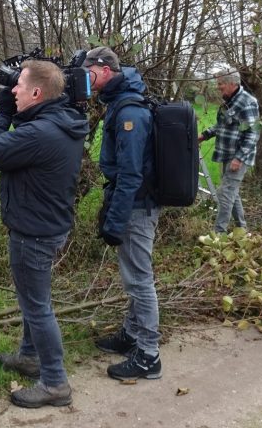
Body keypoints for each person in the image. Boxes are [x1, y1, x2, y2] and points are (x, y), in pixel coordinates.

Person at [0, 60, 88, 408]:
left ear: (37, 93)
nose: (13, 91)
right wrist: (16, 110)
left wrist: (2, 113)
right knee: (32, 300)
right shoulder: (60, 121)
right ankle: (28, 357)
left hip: (33, 232)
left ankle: (55, 382)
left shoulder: (40, 132)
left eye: (19, 87)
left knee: (38, 307)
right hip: (47, 225)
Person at [82, 46, 163, 381]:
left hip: (137, 206)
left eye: (88, 72)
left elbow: (131, 174)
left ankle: (148, 354)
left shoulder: (130, 111)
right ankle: (131, 335)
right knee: (133, 276)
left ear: (104, 69)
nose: (84, 79)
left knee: (139, 281)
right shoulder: (121, 100)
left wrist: (115, 220)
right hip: (132, 202)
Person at [198, 71, 260, 234]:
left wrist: (239, 158)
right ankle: (242, 228)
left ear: (232, 84)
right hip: (227, 153)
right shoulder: (229, 101)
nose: (218, 88)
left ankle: (219, 233)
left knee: (225, 193)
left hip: (239, 155)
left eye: (220, 84)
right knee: (232, 192)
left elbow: (253, 133)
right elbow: (223, 125)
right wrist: (204, 135)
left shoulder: (247, 102)